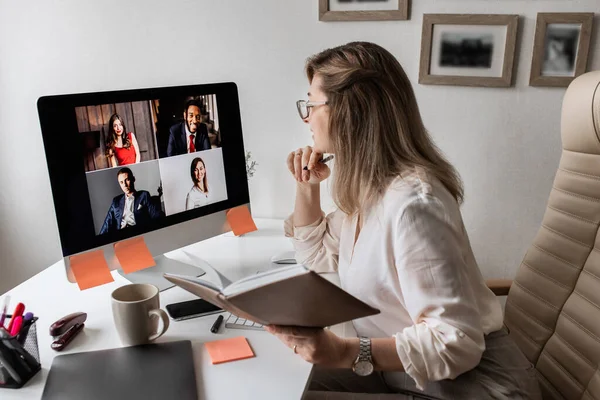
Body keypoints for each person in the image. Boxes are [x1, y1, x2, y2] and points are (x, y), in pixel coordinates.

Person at [266, 42, 541, 399]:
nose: (305, 117)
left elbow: (456, 344)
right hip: (404, 373)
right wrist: (307, 187)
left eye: (311, 105)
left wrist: (343, 351)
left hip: (474, 387)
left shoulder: (414, 205)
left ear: (351, 112)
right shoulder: (368, 190)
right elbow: (316, 255)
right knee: (274, 379)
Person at [99, 167, 162, 234]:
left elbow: (156, 215)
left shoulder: (144, 195)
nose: (125, 185)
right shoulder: (116, 201)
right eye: (121, 182)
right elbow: (107, 224)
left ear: (133, 179)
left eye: (127, 180)